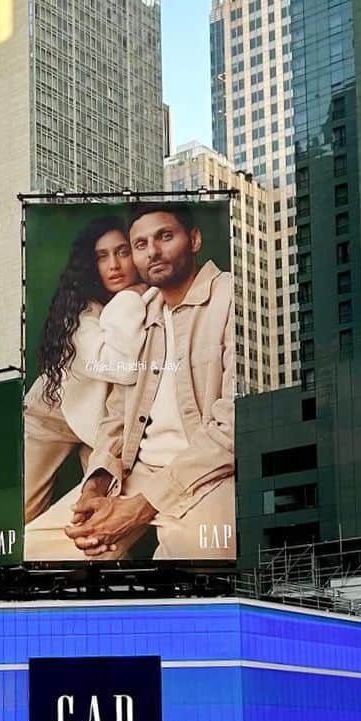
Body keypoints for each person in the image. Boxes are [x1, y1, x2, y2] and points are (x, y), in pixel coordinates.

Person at [25, 203, 235, 563]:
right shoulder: (142, 312)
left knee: (202, 560)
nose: (152, 251)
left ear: (195, 239)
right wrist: (95, 487)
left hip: (204, 475)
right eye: (140, 244)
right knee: (33, 553)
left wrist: (137, 510)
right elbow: (116, 415)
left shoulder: (230, 297)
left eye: (165, 237)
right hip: (130, 470)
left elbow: (232, 426)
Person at [24, 217, 147, 522]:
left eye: (122, 252)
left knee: (101, 514)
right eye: (102, 256)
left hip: (102, 425)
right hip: (51, 414)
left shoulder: (152, 297)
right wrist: (131, 296)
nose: (114, 265)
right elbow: (123, 369)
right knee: (22, 512)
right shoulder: (79, 313)